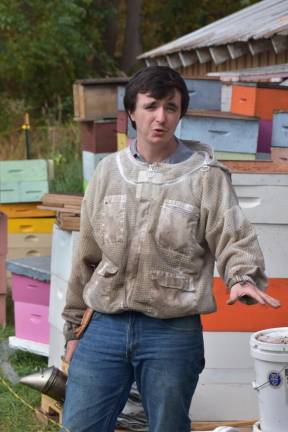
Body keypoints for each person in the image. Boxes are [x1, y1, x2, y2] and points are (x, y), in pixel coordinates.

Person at [61, 66, 280, 432]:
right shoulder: (107, 172)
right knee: (80, 424)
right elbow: (86, 255)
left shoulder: (205, 176)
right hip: (106, 325)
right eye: (150, 106)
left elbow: (233, 235)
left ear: (181, 114)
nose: (160, 117)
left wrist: (241, 276)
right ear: (132, 111)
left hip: (171, 331)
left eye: (171, 107)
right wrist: (73, 330)